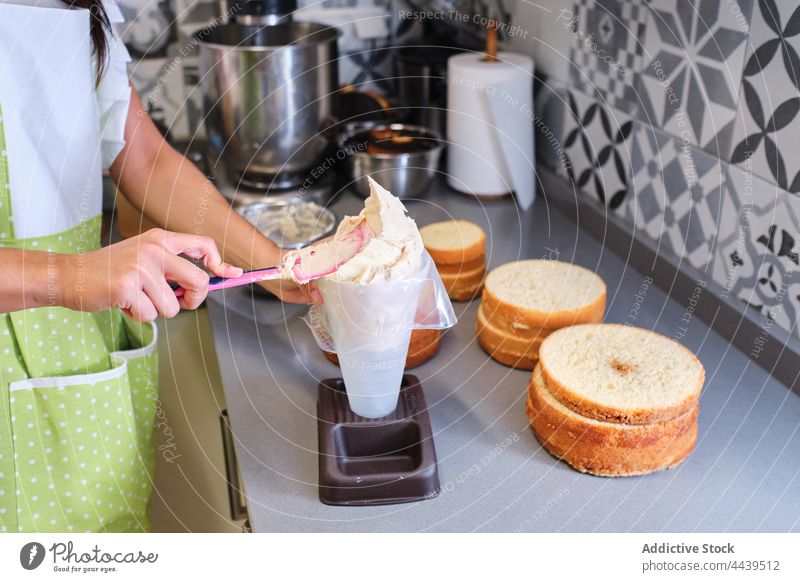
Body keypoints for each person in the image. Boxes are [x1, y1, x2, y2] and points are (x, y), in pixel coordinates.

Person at [0, 0, 314, 532]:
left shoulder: (71, 10)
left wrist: (282, 266)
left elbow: (142, 158)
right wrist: (71, 277)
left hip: (76, 361)